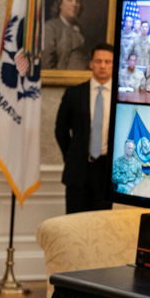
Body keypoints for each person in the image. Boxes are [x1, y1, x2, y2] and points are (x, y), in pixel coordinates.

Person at [56, 43, 115, 214]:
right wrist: (72, 155)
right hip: (79, 169)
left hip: (106, 171)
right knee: (75, 223)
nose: (102, 66)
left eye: (107, 62)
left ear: (113, 65)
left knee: (100, 224)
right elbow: (60, 130)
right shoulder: (74, 94)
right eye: (98, 61)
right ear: (91, 63)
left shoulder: (120, 97)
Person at [42, 0, 87, 70]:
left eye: (77, 0)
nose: (74, 4)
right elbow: (47, 66)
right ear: (60, 4)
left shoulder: (81, 31)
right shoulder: (50, 28)